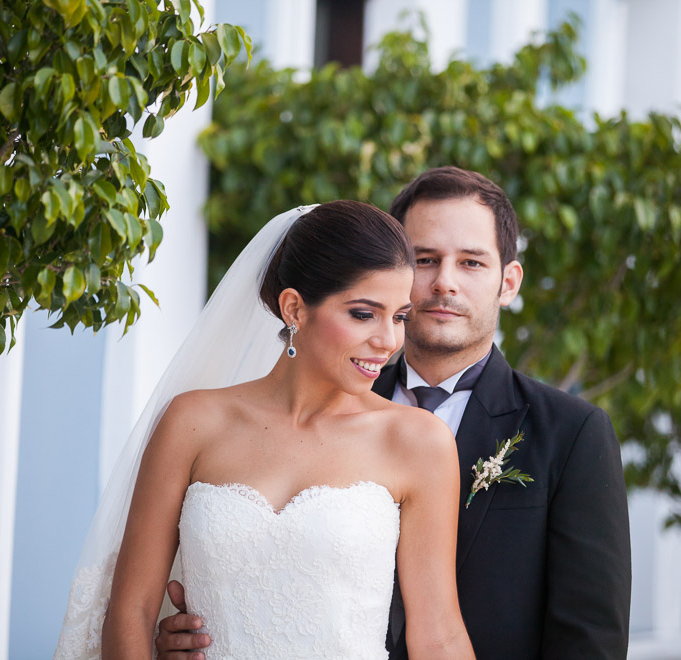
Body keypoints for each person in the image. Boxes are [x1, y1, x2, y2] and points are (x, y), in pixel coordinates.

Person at [156, 168, 632, 659]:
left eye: (471, 263)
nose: (443, 283)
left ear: (508, 282)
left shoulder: (573, 435)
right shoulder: (250, 413)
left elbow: (589, 641)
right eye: (425, 259)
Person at [54, 201, 475, 659]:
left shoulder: (417, 442)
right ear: (294, 307)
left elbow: (438, 633)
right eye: (362, 314)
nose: (389, 341)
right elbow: (131, 611)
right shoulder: (192, 423)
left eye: (398, 316)